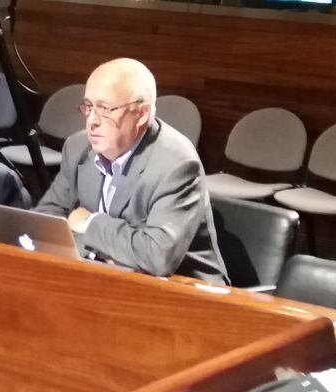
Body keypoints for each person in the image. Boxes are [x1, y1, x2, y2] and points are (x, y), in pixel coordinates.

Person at [35, 58, 227, 283]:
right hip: (105, 278)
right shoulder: (77, 147)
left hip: (184, 293)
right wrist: (102, 251)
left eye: (105, 109)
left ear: (141, 114)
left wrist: (88, 223)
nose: (92, 121)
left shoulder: (177, 164)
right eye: (89, 107)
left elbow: (156, 256)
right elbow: (44, 223)